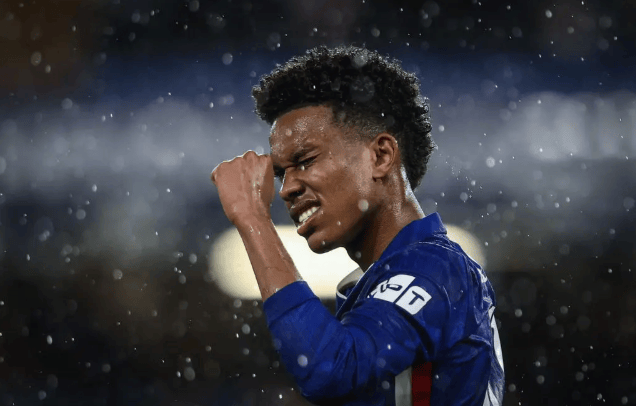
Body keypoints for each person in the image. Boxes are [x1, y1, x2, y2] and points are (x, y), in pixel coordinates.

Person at [210, 45, 504, 406]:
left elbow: (330, 370)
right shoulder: (389, 280)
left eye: (305, 161)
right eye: (281, 173)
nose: (286, 189)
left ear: (381, 156)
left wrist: (254, 219)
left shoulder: (435, 268)